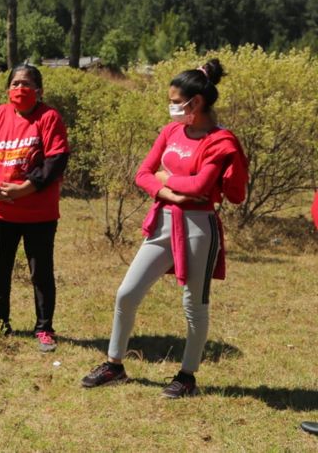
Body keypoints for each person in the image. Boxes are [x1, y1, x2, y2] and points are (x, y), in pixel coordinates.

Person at [81, 59, 248, 398]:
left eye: (175, 101)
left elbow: (201, 185)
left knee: (194, 304)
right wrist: (169, 191)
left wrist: (164, 177)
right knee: (127, 293)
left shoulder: (220, 140)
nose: (171, 107)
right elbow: (143, 174)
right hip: (164, 221)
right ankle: (115, 365)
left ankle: (187, 376)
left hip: (198, 226)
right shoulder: (171, 131)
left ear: (195, 103)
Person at [0, 64, 69, 352]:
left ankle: (44, 328)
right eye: (15, 83)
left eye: (26, 84)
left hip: (38, 213)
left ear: (39, 90)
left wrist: (25, 188)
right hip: (0, 210)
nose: (19, 88)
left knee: (40, 272)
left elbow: (56, 161)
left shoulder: (49, 118)